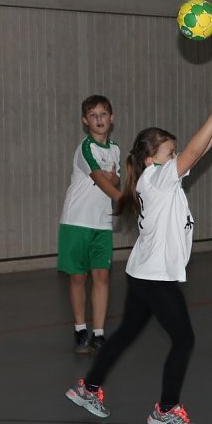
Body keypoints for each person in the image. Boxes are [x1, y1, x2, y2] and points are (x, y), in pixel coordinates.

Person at [65, 88, 212, 424]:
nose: (177, 157)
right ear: (151, 159)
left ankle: (89, 388)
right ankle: (166, 410)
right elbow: (193, 152)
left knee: (125, 334)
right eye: (170, 152)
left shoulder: (159, 178)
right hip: (155, 277)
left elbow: (195, 155)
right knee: (184, 340)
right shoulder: (157, 178)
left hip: (141, 274)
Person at [57, 95, 122, 354]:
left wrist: (114, 181)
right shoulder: (85, 148)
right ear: (85, 121)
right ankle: (80, 329)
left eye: (103, 114)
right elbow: (101, 179)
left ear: (111, 118)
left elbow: (115, 178)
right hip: (77, 221)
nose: (99, 119)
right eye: (93, 115)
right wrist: (125, 202)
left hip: (102, 222)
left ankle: (98, 333)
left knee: (102, 276)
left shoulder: (115, 149)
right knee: (77, 278)